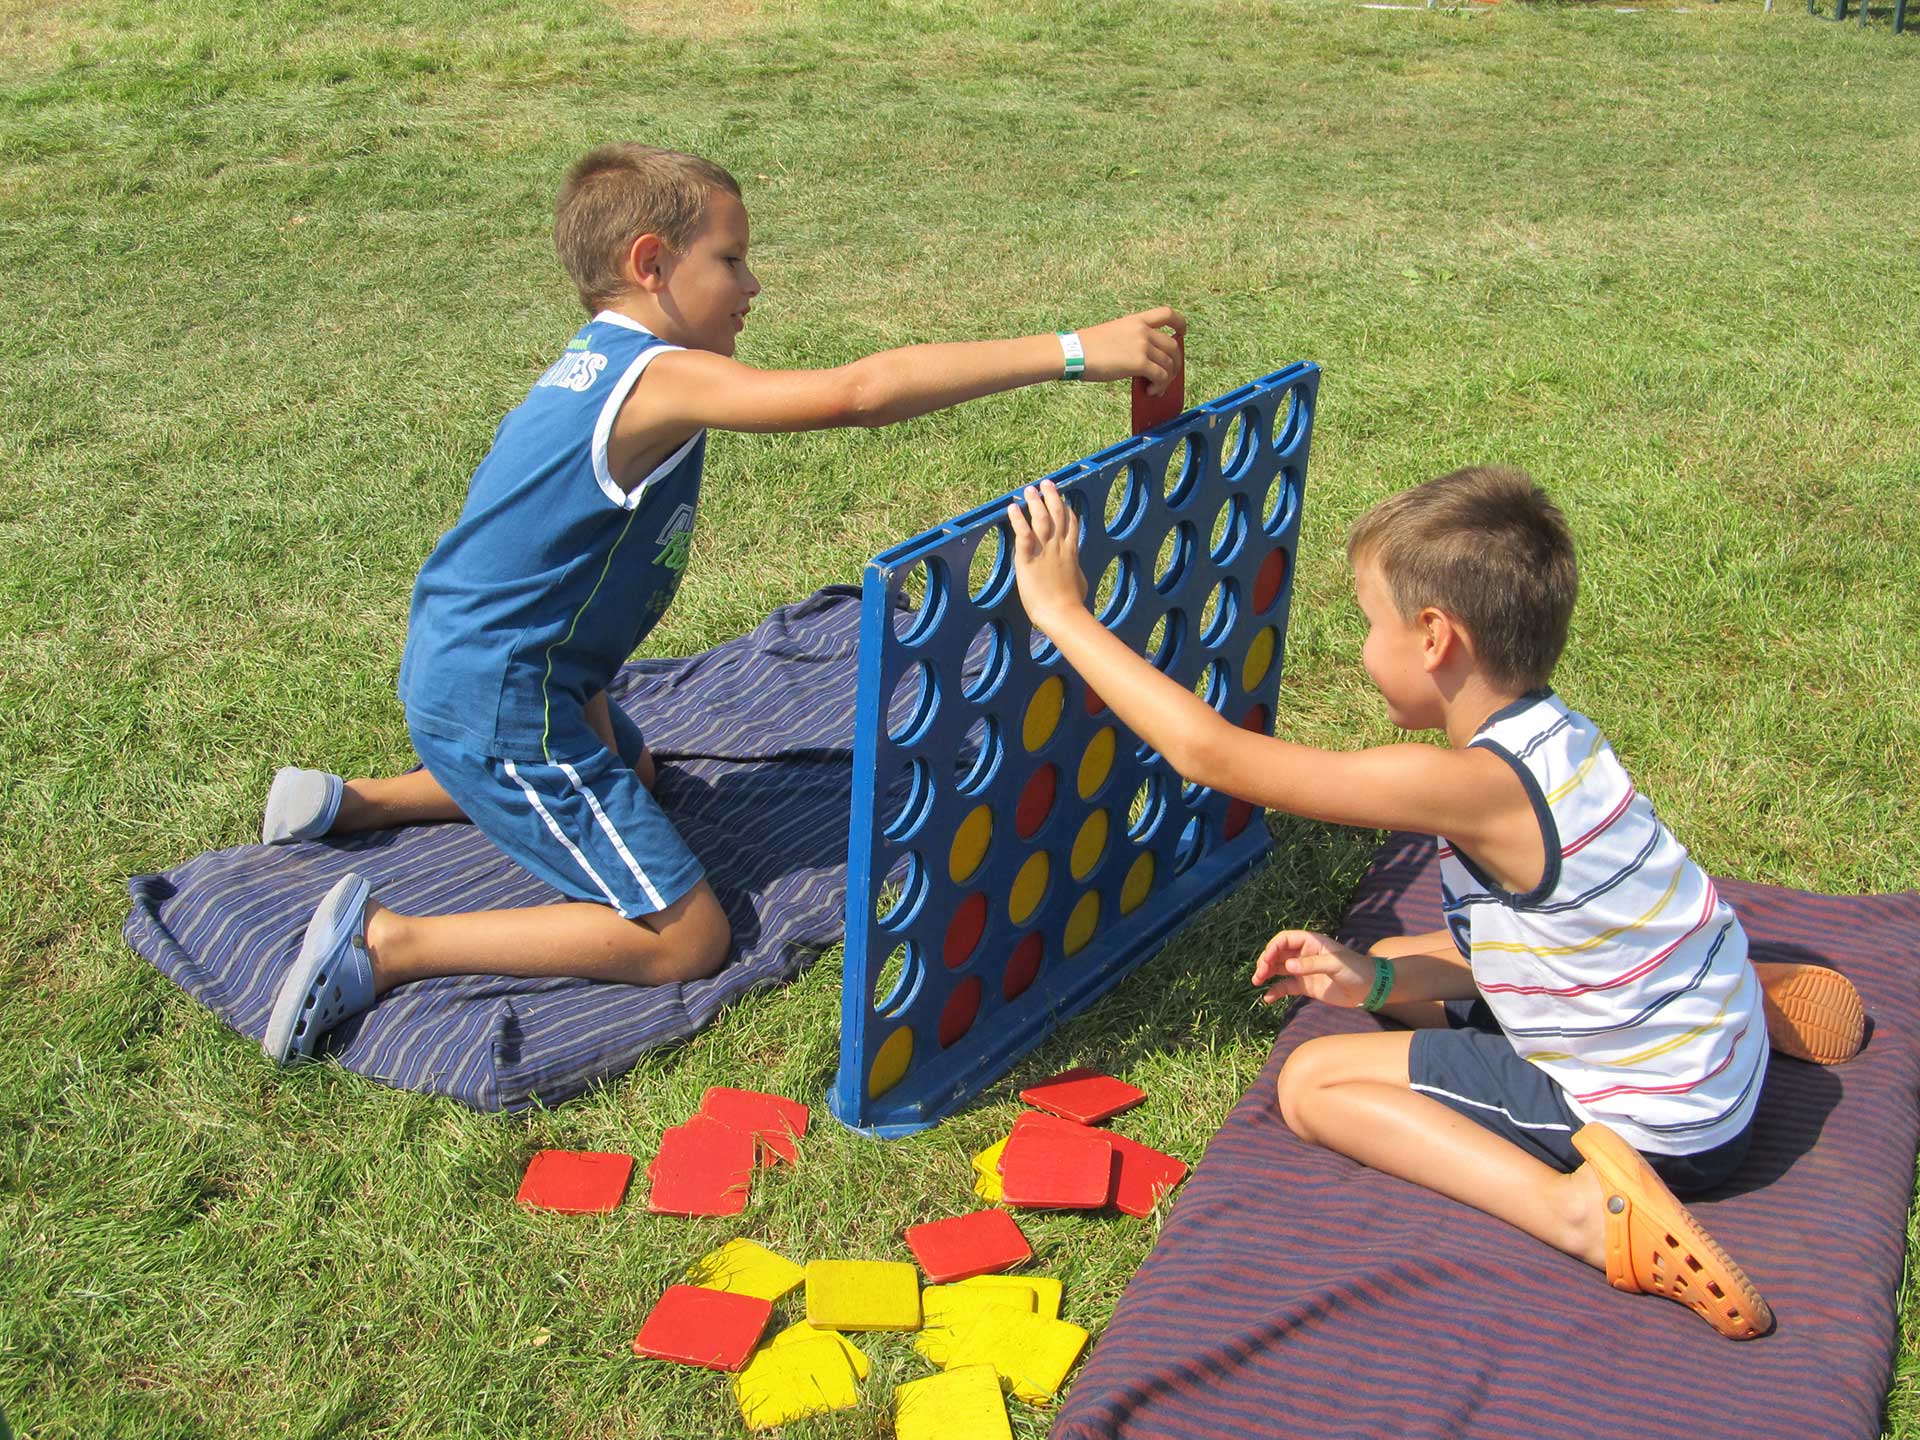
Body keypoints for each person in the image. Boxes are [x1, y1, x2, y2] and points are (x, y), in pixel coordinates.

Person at [258, 142, 1185, 1065]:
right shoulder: (655, 375)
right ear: (651, 264)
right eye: (731, 259)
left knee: (637, 771)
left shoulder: (598, 361)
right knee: (688, 939)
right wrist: (1072, 352)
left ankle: (355, 806)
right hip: (507, 696)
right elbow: (856, 394)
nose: (753, 283)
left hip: (530, 665)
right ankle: (388, 943)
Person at [1007, 463, 1865, 1339]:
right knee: (1406, 964)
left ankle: (1580, 1214)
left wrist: (1063, 613)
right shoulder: (1554, 738)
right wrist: (1375, 982)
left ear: (1432, 637)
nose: (1360, 651)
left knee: (1312, 1084)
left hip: (1664, 1134)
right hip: (1690, 1044)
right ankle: (1714, 992)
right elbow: (1524, 945)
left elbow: (1212, 755)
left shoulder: (1462, 786)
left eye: (1368, 624)